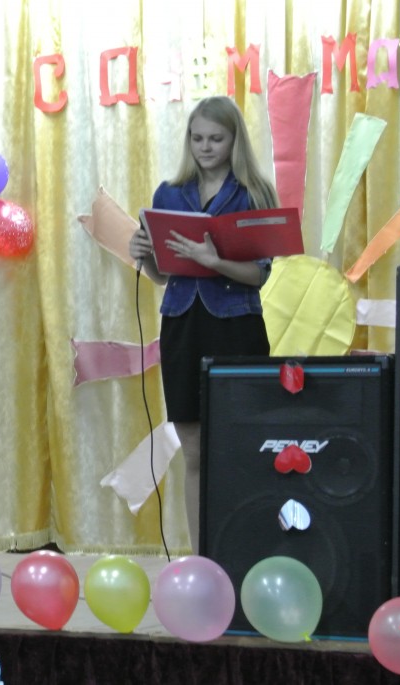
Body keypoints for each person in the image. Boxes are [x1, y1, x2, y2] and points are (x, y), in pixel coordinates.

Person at [128, 96, 278, 553]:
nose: (205, 147)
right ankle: (202, 557)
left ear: (235, 141)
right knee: (192, 451)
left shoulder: (254, 193)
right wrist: (144, 256)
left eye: (216, 138)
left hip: (236, 326)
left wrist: (215, 262)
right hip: (182, 325)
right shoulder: (169, 194)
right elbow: (163, 276)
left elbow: (259, 275)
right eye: (197, 138)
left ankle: (245, 550)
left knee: (240, 447)